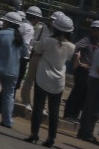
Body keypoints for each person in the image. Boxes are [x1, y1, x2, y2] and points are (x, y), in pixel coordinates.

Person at [25, 13, 76, 147]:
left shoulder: (47, 41)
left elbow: (37, 50)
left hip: (43, 77)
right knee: (54, 110)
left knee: (38, 107)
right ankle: (51, 138)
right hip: (59, 81)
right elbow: (69, 58)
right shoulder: (72, 47)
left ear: (56, 28)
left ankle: (34, 134)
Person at [66, 19, 99, 120]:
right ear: (93, 30)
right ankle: (69, 113)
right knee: (77, 92)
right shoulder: (87, 40)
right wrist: (79, 61)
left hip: (90, 72)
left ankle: (75, 114)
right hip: (82, 71)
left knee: (84, 94)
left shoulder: (98, 43)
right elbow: (75, 48)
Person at [19, 6, 47, 110]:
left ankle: (40, 106)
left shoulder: (22, 24)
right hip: (33, 55)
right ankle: (26, 101)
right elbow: (27, 45)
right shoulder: (38, 28)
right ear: (35, 18)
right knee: (28, 80)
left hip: (42, 58)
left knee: (42, 83)